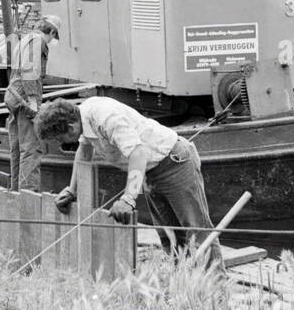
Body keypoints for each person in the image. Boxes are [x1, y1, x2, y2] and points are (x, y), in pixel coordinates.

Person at [35, 96, 224, 266]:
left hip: (174, 163)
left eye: (60, 138)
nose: (61, 143)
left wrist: (128, 198)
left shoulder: (105, 117)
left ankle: (218, 294)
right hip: (151, 171)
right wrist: (72, 189)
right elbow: (84, 151)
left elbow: (138, 153)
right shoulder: (82, 119)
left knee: (198, 231)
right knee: (170, 236)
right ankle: (184, 290)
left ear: (70, 127)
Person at [5, 18, 59, 191]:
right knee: (31, 149)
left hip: (14, 97)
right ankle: (28, 194)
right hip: (24, 100)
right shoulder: (37, 41)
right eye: (53, 37)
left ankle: (15, 190)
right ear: (51, 32)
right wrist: (34, 101)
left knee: (17, 147)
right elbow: (29, 72)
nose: (51, 41)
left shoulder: (24, 40)